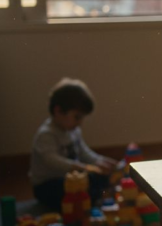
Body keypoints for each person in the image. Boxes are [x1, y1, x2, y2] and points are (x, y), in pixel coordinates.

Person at [30, 78, 117, 210]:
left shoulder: (74, 130)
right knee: (71, 190)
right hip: (49, 184)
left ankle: (95, 196)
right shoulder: (46, 134)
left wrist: (100, 161)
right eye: (77, 117)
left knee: (99, 178)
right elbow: (54, 161)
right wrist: (82, 167)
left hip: (75, 178)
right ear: (58, 111)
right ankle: (92, 198)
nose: (80, 123)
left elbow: (84, 152)